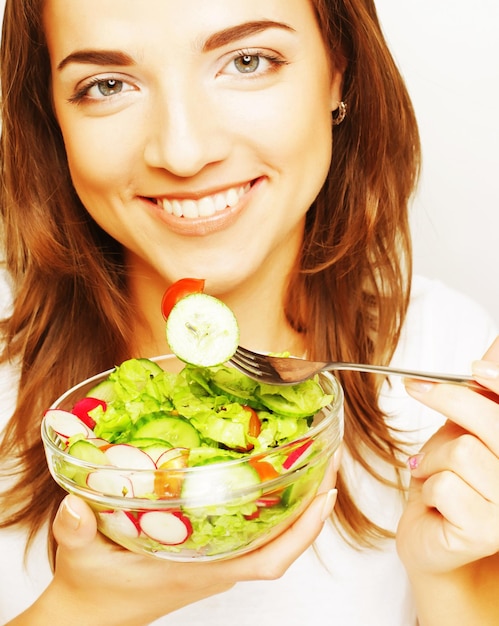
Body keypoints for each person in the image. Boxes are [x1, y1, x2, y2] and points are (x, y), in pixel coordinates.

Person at [0, 0, 497, 624]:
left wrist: (456, 580)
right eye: (107, 84)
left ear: (338, 70)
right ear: (50, 111)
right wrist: (83, 609)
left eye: (246, 60)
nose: (182, 152)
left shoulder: (448, 361)